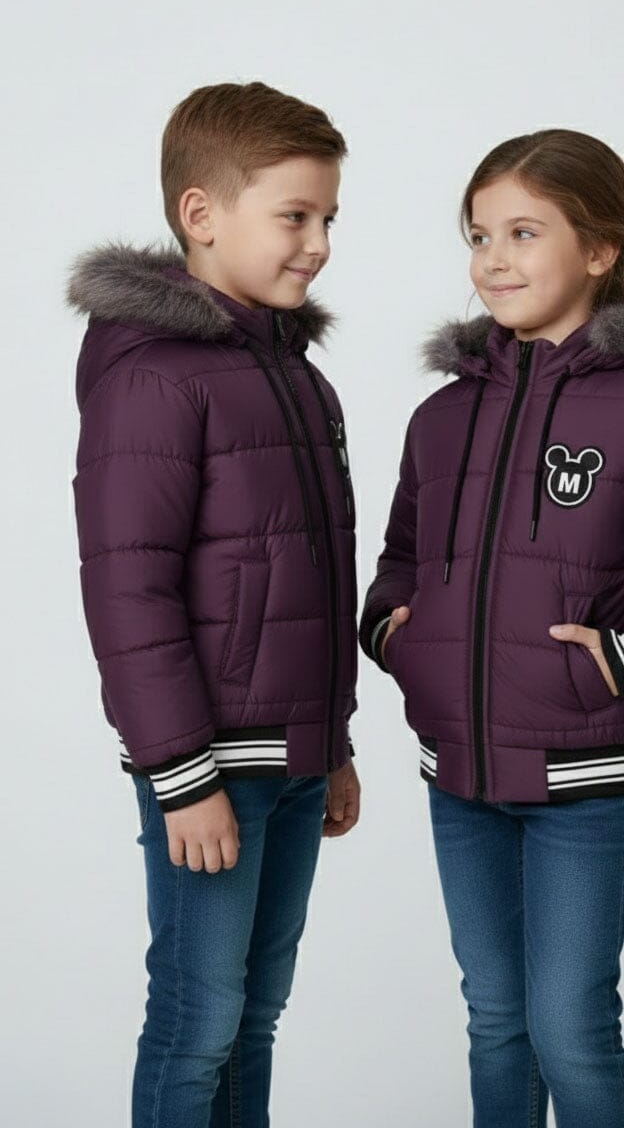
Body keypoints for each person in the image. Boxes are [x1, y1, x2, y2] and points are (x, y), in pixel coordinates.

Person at [359, 128, 624, 1128]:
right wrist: (395, 639)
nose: (492, 260)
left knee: (571, 1026)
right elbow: (398, 564)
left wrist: (623, 661)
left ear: (599, 249)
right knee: (496, 1020)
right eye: (478, 236)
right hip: (458, 777)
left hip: (581, 781)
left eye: (522, 232)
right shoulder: (440, 419)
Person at [66, 80, 360, 1128]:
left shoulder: (295, 377)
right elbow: (127, 588)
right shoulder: (154, 381)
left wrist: (331, 742)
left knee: (254, 1017)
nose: (319, 244)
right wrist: (181, 775)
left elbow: (305, 581)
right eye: (295, 216)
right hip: (210, 770)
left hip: (291, 759)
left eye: (329, 218)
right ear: (201, 214)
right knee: (197, 1022)